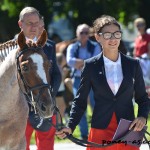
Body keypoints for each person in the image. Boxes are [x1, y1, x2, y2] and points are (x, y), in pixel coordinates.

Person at [56, 15, 150, 150]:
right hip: (100, 129)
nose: (113, 39)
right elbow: (80, 100)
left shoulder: (133, 64)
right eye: (107, 35)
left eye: (116, 34)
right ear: (98, 37)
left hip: (128, 129)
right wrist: (70, 126)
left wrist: (142, 117)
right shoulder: (90, 66)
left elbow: (142, 98)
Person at [17, 7, 61, 150]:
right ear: (20, 24)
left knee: (46, 145)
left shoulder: (49, 46)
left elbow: (56, 75)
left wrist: (49, 97)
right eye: (30, 23)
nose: (34, 27)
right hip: (21, 109)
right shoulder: (11, 48)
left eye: (37, 23)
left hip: (45, 102)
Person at [66, 23, 101, 140]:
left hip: (93, 80)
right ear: (77, 34)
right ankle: (84, 135)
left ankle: (98, 134)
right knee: (80, 107)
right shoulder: (72, 47)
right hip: (78, 80)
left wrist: (80, 63)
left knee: (96, 107)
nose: (84, 35)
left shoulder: (95, 46)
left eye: (86, 32)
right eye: (82, 32)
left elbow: (96, 61)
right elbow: (70, 61)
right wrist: (88, 63)